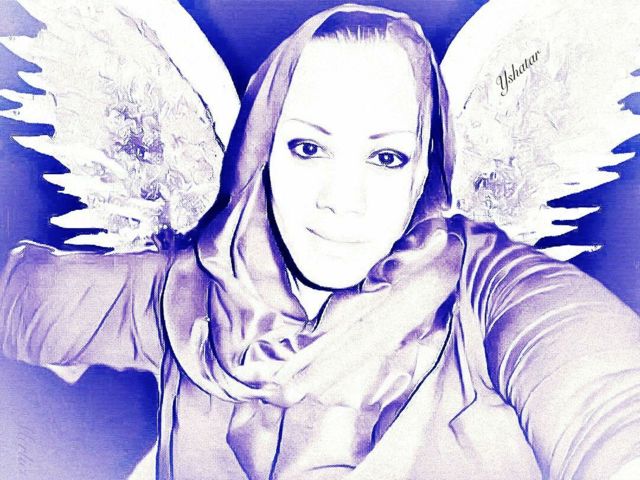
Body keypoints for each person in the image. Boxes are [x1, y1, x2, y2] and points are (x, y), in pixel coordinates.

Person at [1, 4, 640, 479]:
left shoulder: (492, 290)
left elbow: (605, 398)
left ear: (424, 171)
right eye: (308, 148)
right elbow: (21, 302)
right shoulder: (187, 292)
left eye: (386, 157)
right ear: (260, 154)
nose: (342, 200)